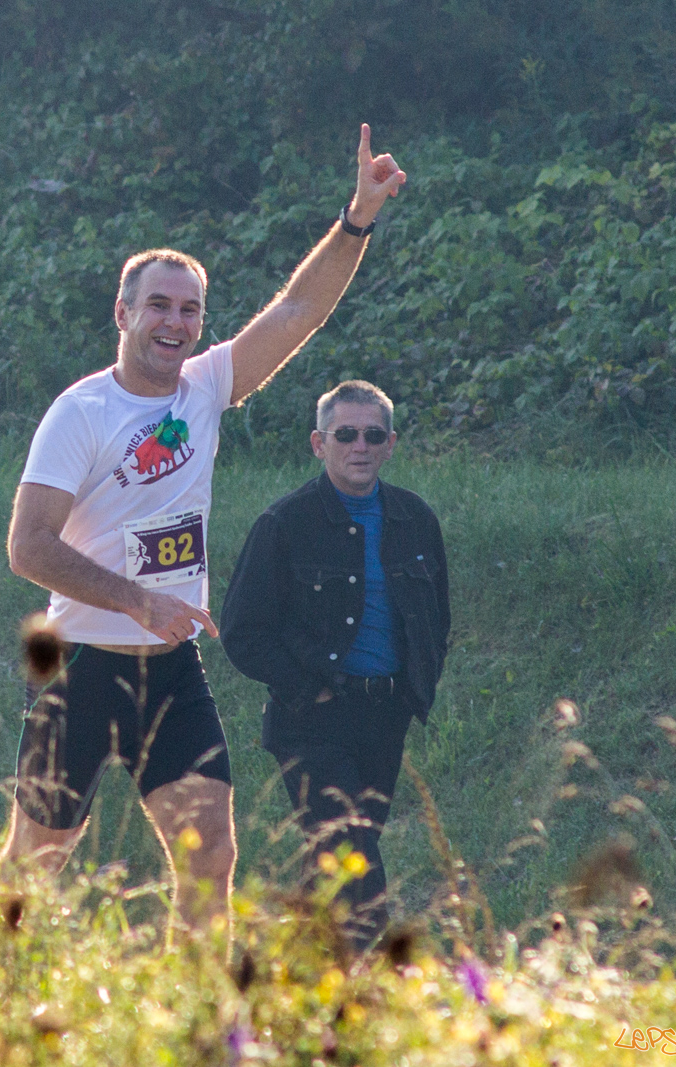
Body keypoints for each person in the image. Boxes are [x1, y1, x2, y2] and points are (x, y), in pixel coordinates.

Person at [0, 126, 407, 936]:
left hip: (173, 672)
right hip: (82, 671)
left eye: (190, 310)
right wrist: (139, 600)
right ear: (124, 313)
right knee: (32, 864)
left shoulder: (206, 387)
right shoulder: (81, 412)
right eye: (159, 308)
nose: (175, 324)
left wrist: (357, 220)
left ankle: (198, 1016)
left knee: (211, 853)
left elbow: (300, 308)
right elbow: (27, 547)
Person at [219, 380, 450, 948]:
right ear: (319, 444)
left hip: (384, 717)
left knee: (336, 856)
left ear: (391, 443)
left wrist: (413, 690)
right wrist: (308, 687)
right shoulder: (284, 524)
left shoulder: (414, 520)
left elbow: (435, 620)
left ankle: (302, 972)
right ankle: (369, 976)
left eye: (373, 435)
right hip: (310, 721)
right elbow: (243, 632)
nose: (360, 447)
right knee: (352, 857)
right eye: (345, 434)